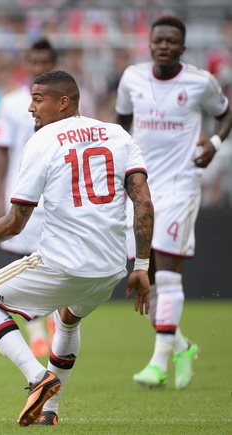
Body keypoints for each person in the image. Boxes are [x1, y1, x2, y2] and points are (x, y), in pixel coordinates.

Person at [0, 70, 153, 426]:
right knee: (68, 320)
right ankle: (50, 411)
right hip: (110, 269)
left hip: (61, 264)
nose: (31, 108)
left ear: (64, 102)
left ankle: (37, 377)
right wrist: (143, 266)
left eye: (38, 99)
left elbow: (16, 222)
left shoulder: (43, 141)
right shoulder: (118, 135)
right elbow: (144, 203)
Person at [115, 15, 232, 390]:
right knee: (143, 277)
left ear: (182, 46)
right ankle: (182, 347)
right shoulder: (132, 79)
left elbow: (225, 113)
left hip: (181, 185)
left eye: (170, 41)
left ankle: (157, 364)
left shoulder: (200, 82)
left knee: (167, 274)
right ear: (150, 43)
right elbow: (120, 124)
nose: (163, 46)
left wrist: (215, 143)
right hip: (140, 189)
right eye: (158, 40)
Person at [0, 37, 58, 357]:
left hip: (56, 195)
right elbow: (1, 154)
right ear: (26, 64)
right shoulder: (11, 103)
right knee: (23, 263)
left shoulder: (66, 103)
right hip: (22, 194)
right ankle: (36, 330)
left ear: (54, 64)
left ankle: (55, 319)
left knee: (57, 261)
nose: (39, 67)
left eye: (45, 62)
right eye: (34, 62)